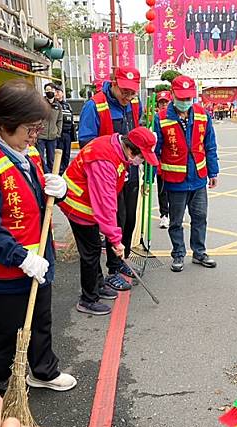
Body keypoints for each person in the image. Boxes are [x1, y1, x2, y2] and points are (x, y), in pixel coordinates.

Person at [0, 79, 76, 395]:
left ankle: (43, 370)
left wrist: (55, 190)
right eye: (30, 129)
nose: (35, 136)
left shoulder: (24, 148)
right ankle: (3, 395)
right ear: (5, 124)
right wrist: (21, 258)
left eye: (37, 129)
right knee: (3, 336)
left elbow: (35, 198)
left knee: (39, 322)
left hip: (38, 257)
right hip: (2, 271)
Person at [59, 127, 158, 316]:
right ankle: (88, 299)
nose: (141, 161)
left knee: (94, 248)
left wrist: (113, 236)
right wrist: (115, 239)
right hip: (78, 204)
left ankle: (98, 284)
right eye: (141, 157)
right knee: (90, 253)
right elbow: (105, 204)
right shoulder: (104, 160)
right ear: (131, 149)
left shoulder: (116, 147)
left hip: (88, 201)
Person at [78, 66, 143, 292]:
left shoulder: (135, 103)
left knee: (129, 220)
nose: (128, 96)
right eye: (124, 91)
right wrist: (107, 160)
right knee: (114, 218)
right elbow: (86, 141)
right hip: (106, 174)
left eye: (132, 92)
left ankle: (122, 259)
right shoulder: (94, 105)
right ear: (113, 83)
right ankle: (114, 267)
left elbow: (138, 130)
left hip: (129, 170)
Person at [154, 75, 220, 273]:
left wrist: (213, 171)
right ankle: (178, 254)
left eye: (188, 98)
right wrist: (150, 176)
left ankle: (199, 252)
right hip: (175, 181)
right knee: (176, 221)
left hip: (198, 178)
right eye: (181, 98)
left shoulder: (202, 115)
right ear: (173, 95)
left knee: (200, 217)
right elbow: (155, 150)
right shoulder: (162, 118)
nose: (185, 102)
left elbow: (210, 145)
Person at [36, 82, 63, 172]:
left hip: (52, 136)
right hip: (41, 136)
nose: (49, 92)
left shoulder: (58, 106)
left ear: (55, 91)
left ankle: (51, 175)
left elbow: (60, 120)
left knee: (51, 159)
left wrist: (58, 132)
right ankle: (42, 175)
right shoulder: (40, 103)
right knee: (40, 158)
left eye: (51, 90)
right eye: (47, 90)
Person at [155, 91, 172, 229]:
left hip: (174, 162)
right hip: (161, 161)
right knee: (162, 190)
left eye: (166, 102)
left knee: (175, 190)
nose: (164, 105)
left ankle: (175, 212)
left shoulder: (175, 117)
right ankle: (164, 215)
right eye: (161, 102)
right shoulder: (155, 118)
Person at [54, 85, 74, 173]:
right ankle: (58, 172)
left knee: (66, 155)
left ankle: (65, 171)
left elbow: (71, 120)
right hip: (59, 134)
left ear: (62, 93)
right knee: (58, 154)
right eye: (55, 92)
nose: (56, 94)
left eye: (58, 92)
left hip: (67, 133)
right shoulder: (54, 105)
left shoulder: (67, 105)